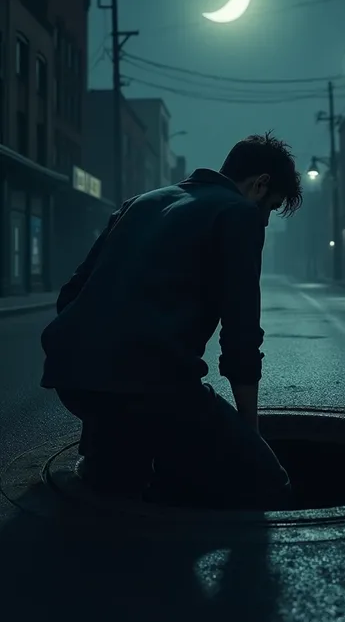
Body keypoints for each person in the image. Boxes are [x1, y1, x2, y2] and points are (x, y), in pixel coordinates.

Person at [40, 132, 303, 510]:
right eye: (271, 207)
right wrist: (250, 436)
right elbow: (241, 337)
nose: (265, 221)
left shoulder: (140, 203)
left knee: (122, 483)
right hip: (152, 387)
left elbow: (70, 295)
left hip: (71, 379)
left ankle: (109, 468)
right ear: (261, 184)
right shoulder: (239, 213)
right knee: (269, 484)